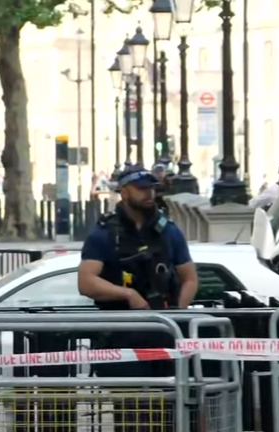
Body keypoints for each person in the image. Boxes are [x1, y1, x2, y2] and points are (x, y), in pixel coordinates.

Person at [78, 165, 198, 432]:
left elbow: (190, 278)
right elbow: (86, 281)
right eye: (142, 188)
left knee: (168, 411)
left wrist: (177, 314)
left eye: (152, 188)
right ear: (123, 192)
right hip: (121, 334)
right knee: (131, 413)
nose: (149, 194)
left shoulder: (168, 232)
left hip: (163, 335)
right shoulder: (105, 234)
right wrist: (127, 294)